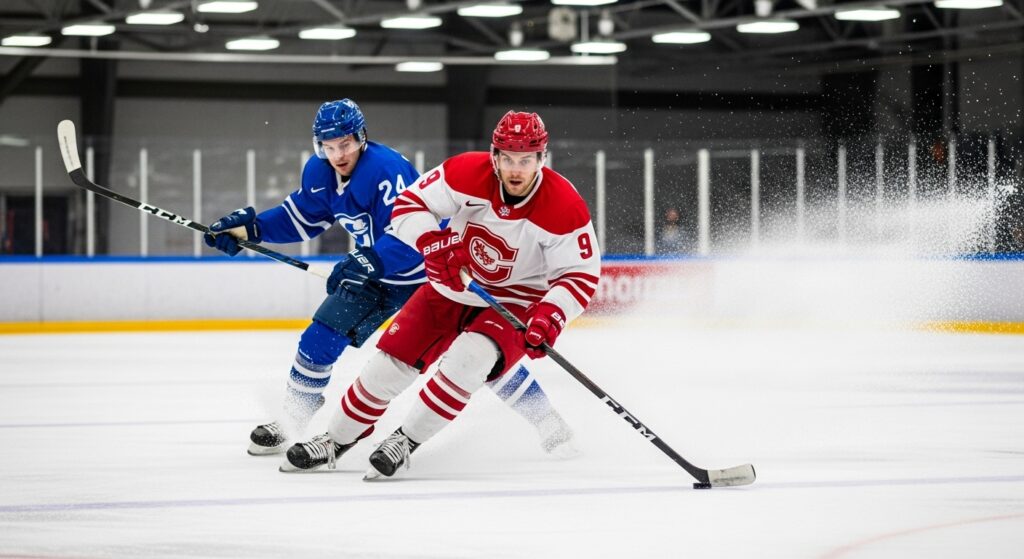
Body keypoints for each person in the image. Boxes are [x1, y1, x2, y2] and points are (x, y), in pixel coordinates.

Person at [203, 99, 575, 461]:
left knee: (481, 358)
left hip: (432, 274)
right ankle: (293, 418)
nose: (338, 154)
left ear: (361, 137)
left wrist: (371, 260)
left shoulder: (386, 170)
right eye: (328, 146)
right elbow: (301, 216)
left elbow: (411, 234)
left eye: (345, 144)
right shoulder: (319, 173)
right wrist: (252, 227)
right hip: (379, 272)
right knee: (320, 334)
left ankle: (547, 420)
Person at [283, 110, 601, 479]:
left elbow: (579, 275)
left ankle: (405, 441)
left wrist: (551, 314)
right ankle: (335, 439)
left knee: (471, 359)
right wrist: (432, 242)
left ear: (541, 159)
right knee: (388, 364)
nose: (516, 170)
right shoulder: (465, 171)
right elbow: (409, 205)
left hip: (517, 299)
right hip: (453, 284)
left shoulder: (564, 205)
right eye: (508, 159)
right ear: (494, 156)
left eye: (526, 160)